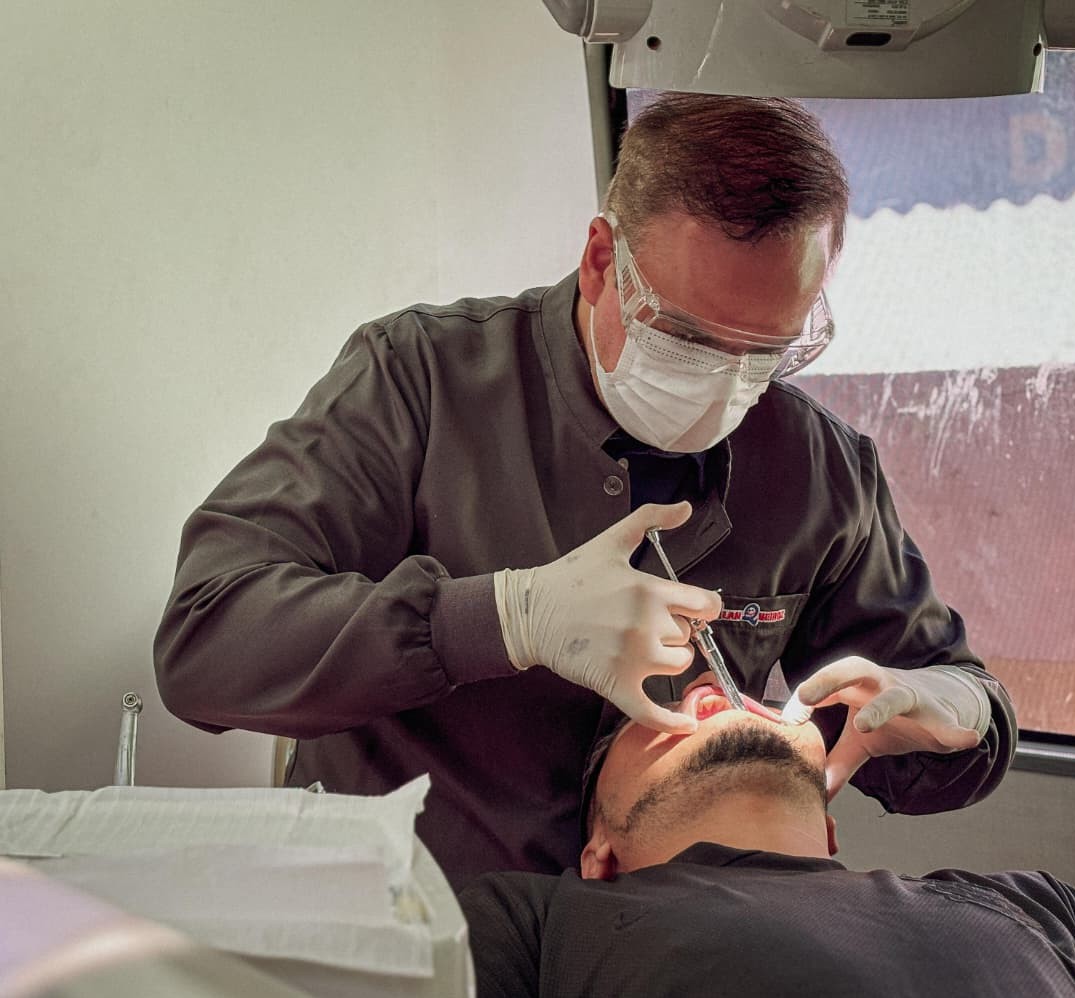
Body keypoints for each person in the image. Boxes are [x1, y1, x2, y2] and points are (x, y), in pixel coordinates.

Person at [153, 93, 1015, 891]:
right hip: (416, 919)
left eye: (766, 352)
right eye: (687, 337)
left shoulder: (819, 470)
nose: (725, 385)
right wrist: (501, 619)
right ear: (603, 261)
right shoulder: (421, 380)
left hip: (667, 949)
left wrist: (967, 715)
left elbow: (931, 717)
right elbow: (206, 641)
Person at [458, 678, 1075, 998]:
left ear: (830, 831)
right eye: (651, 718)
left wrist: (975, 693)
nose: (707, 692)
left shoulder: (1039, 906)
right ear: (599, 857)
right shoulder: (534, 925)